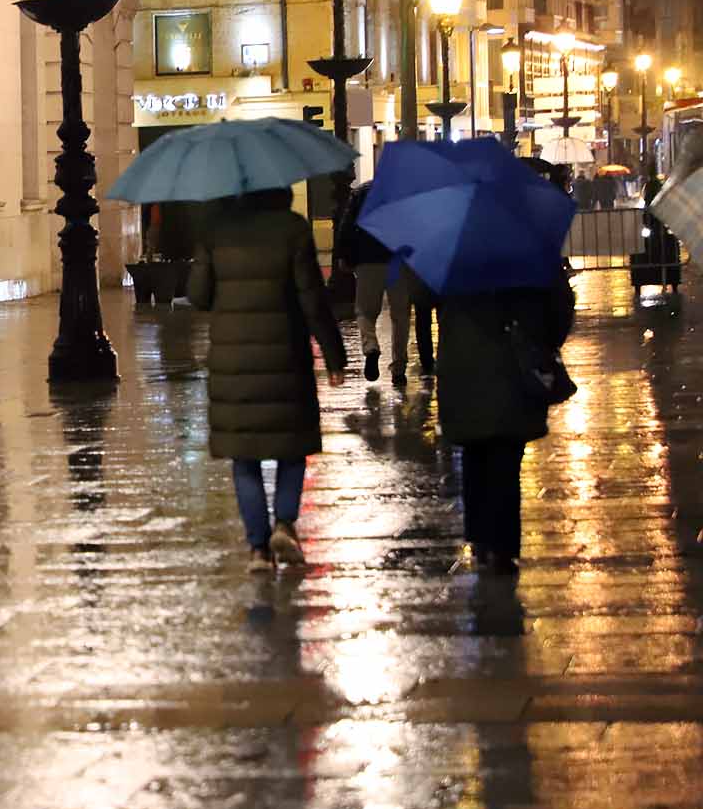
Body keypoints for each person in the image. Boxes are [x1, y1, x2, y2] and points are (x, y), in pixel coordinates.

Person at [189, 189, 349, 573]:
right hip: (285, 357)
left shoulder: (216, 229)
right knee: (292, 446)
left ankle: (258, 549)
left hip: (232, 363)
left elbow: (197, 296)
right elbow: (313, 299)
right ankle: (285, 523)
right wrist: (333, 354)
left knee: (244, 458)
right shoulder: (292, 229)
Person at [424, 270, 575, 575]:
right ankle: (503, 546)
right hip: (514, 366)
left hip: (462, 365)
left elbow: (423, 296)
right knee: (506, 459)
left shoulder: (452, 255)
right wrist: (543, 339)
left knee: (474, 451)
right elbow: (560, 304)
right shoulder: (528, 251)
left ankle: (480, 536)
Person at [337, 183, 411, 386]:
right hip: (397, 260)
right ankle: (399, 368)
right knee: (400, 315)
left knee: (364, 312)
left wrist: (345, 255)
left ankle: (370, 347)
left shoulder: (360, 193)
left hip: (367, 260)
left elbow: (347, 226)